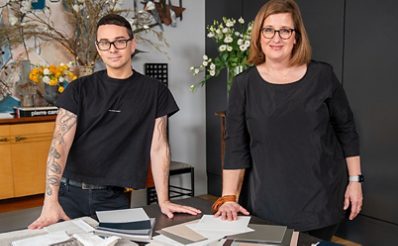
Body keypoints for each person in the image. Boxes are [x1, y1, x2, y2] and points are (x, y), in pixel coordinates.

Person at [29, 14, 200, 229]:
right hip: (68, 195)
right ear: (98, 48)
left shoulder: (155, 92)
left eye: (120, 41)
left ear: (132, 45)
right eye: (105, 42)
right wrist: (50, 202)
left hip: (113, 197)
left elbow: (159, 148)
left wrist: (163, 200)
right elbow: (59, 145)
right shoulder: (79, 89)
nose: (112, 48)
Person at [212, 0, 363, 241]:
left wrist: (355, 180)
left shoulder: (323, 75)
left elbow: (346, 129)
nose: (276, 38)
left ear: (296, 37)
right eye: (269, 29)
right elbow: (235, 145)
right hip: (268, 203)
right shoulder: (244, 84)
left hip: (323, 200)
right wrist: (228, 198)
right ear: (259, 35)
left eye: (285, 30)